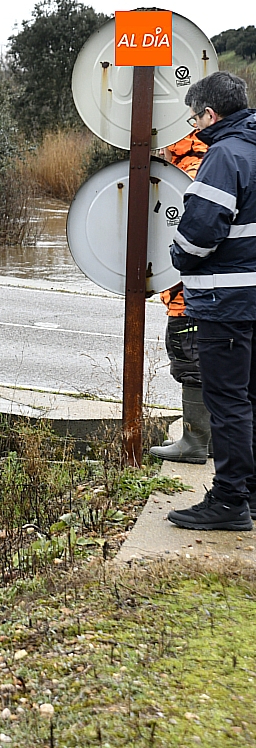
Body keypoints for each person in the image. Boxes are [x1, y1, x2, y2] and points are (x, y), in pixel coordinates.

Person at [167, 71, 256, 531]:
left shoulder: (224, 154)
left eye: (194, 115)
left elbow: (200, 232)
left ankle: (228, 501)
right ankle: (251, 495)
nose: (193, 124)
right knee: (251, 399)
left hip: (228, 303)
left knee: (228, 402)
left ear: (210, 114)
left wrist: (177, 254)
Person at [149, 130, 211, 463]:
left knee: (191, 364)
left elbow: (182, 233)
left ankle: (195, 443)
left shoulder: (186, 172)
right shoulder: (218, 160)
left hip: (188, 296)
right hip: (214, 294)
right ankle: (210, 440)